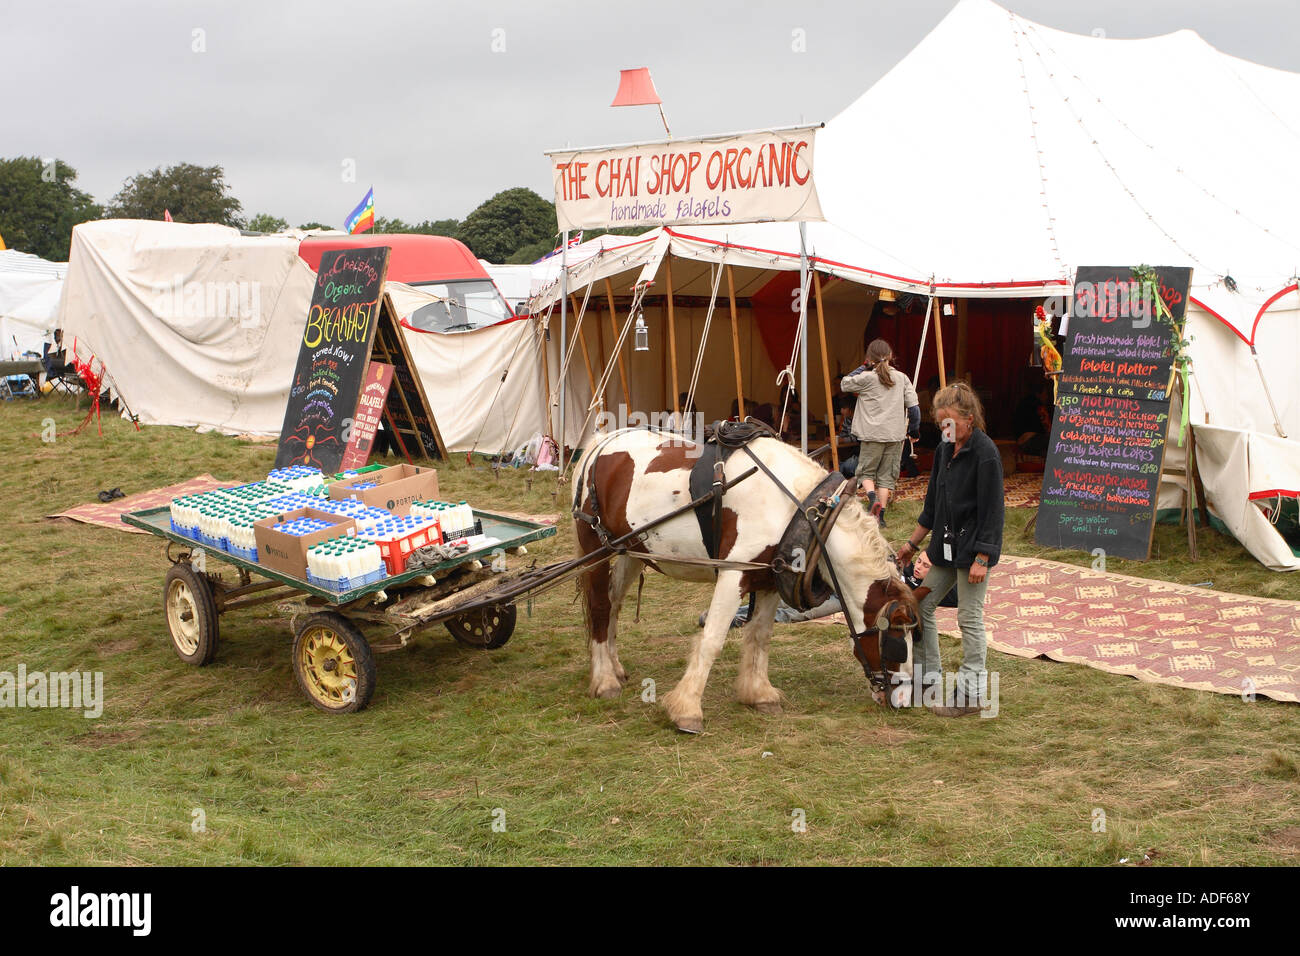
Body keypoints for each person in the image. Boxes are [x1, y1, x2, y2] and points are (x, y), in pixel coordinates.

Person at [896, 381, 1004, 717]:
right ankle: (927, 684)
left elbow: (993, 511)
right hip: (944, 547)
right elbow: (933, 506)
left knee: (969, 618)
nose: (945, 429)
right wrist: (912, 544)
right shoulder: (945, 449)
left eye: (951, 423)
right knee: (921, 605)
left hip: (973, 550)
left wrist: (983, 557)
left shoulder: (985, 454)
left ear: (969, 419)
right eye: (941, 423)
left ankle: (971, 696)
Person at [841, 339, 919, 524]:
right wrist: (914, 431)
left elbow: (845, 383)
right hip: (894, 435)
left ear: (869, 358)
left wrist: (863, 367)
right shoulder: (902, 378)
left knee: (865, 472)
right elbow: (914, 409)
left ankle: (872, 497)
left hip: (871, 435)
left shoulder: (866, 378)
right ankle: (881, 516)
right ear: (891, 356)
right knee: (886, 476)